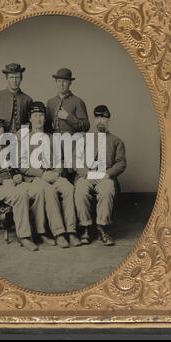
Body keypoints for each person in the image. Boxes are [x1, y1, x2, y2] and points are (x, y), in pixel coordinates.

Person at [0, 116, 55, 251]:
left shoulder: (8, 145)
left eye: (1, 127)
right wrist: (2, 181)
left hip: (14, 182)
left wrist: (17, 175)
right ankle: (24, 237)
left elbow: (16, 166)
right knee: (20, 194)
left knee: (39, 191)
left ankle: (40, 231)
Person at [18, 101, 81, 248]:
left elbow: (60, 159)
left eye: (41, 115)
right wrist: (42, 174)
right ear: (30, 118)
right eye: (35, 115)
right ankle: (59, 233)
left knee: (68, 188)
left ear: (45, 118)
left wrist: (57, 172)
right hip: (36, 178)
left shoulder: (52, 138)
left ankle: (71, 231)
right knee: (49, 191)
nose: (38, 119)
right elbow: (22, 165)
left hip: (53, 174)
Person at [74, 105, 127, 246]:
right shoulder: (84, 139)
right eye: (97, 118)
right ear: (94, 119)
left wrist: (108, 174)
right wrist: (84, 172)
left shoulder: (117, 141)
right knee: (80, 190)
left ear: (108, 120)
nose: (100, 121)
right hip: (87, 176)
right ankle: (85, 227)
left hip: (104, 176)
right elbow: (76, 159)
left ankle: (102, 227)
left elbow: (121, 163)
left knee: (107, 190)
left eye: (103, 118)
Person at [0, 63, 33, 139]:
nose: (14, 80)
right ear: (7, 78)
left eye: (17, 77)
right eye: (11, 77)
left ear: (21, 78)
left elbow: (31, 121)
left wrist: (25, 129)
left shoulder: (27, 99)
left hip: (19, 141)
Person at [46, 68, 90, 134]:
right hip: (54, 142)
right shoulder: (50, 102)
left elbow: (86, 126)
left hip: (71, 142)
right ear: (56, 82)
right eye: (59, 81)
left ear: (70, 83)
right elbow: (47, 127)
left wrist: (68, 117)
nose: (62, 84)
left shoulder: (78, 102)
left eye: (65, 81)